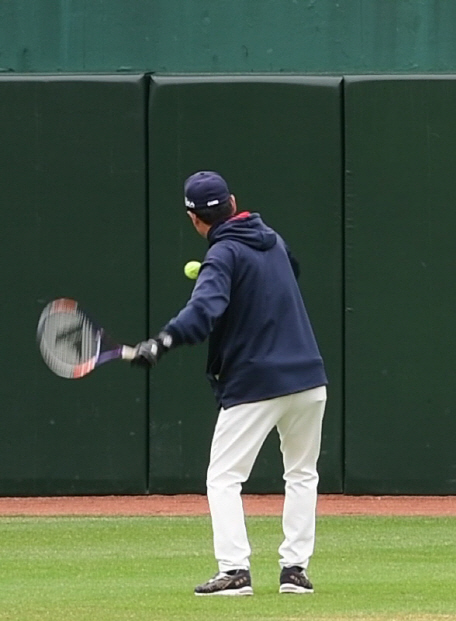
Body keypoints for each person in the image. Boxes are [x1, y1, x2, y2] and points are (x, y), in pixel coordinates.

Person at [130, 171, 330, 595]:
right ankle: (295, 570)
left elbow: (203, 311)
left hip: (257, 381)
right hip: (309, 378)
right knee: (301, 474)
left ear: (194, 219)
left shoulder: (222, 255)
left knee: (223, 477)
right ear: (233, 202)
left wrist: (161, 342)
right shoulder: (272, 240)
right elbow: (289, 271)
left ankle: (234, 570)